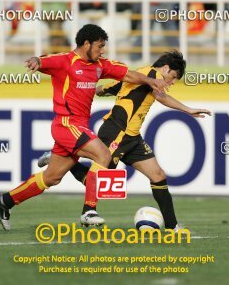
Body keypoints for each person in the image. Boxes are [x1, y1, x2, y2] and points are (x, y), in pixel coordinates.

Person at [0, 24, 169, 230]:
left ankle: (5, 201)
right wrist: (36, 61)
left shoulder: (99, 65)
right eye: (100, 46)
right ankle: (89, 211)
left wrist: (149, 80)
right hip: (66, 123)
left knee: (51, 178)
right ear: (87, 44)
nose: (102, 50)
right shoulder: (65, 61)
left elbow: (128, 75)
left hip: (78, 127)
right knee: (103, 155)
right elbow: (43, 60)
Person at [38, 50, 211, 231]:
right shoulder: (152, 74)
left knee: (158, 175)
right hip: (117, 133)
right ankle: (65, 162)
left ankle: (172, 226)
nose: (173, 82)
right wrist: (188, 110)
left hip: (132, 137)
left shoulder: (137, 75)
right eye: (174, 77)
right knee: (99, 181)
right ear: (166, 68)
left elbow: (106, 88)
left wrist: (92, 90)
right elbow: (161, 96)